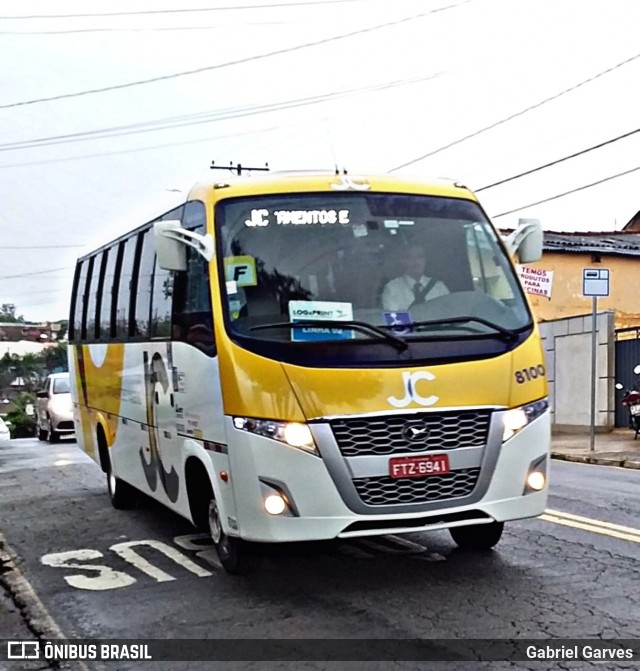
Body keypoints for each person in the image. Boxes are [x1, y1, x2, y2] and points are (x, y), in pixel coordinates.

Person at [381, 245, 448, 312]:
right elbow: (394, 319)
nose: (415, 262)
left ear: (425, 260)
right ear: (402, 262)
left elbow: (448, 313)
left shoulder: (439, 287)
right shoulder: (392, 288)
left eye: (419, 257)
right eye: (409, 257)